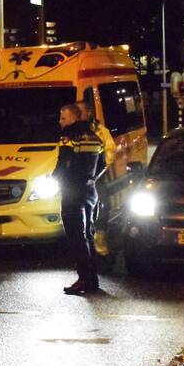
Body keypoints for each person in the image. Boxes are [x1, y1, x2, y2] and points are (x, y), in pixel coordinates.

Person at [55, 103, 105, 296]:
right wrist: (92, 179)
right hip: (90, 192)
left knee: (76, 236)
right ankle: (93, 279)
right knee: (88, 235)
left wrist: (53, 178)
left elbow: (63, 163)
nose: (61, 122)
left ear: (74, 118)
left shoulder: (68, 138)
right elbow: (103, 163)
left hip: (72, 191)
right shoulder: (95, 138)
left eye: (64, 118)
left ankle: (83, 278)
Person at [76, 99, 114, 256]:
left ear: (88, 112)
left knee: (103, 206)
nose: (78, 115)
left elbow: (109, 152)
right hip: (78, 180)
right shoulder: (73, 131)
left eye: (80, 112)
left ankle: (100, 237)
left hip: (96, 179)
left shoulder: (100, 131)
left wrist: (97, 174)